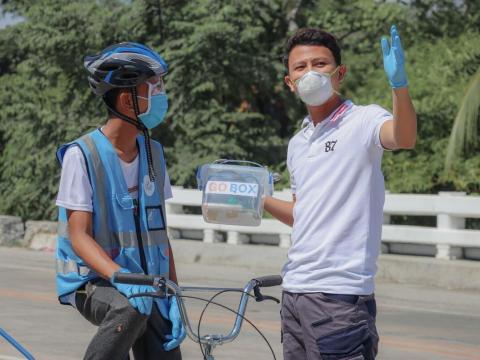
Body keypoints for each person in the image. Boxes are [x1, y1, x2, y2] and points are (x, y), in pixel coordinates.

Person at [264, 26, 417, 359]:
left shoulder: (362, 121)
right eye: (300, 67)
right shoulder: (298, 143)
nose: (310, 73)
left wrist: (399, 87)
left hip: (338, 298)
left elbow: (403, 137)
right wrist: (259, 200)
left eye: (320, 64)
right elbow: (301, 214)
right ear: (289, 82)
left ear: (339, 73)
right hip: (294, 291)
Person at [55, 42, 185, 360]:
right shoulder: (82, 155)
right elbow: (79, 235)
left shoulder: (154, 154)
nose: (162, 96)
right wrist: (120, 280)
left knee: (162, 342)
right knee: (129, 308)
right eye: (154, 88)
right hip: (94, 282)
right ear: (128, 99)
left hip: (147, 283)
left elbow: (159, 235)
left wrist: (174, 293)